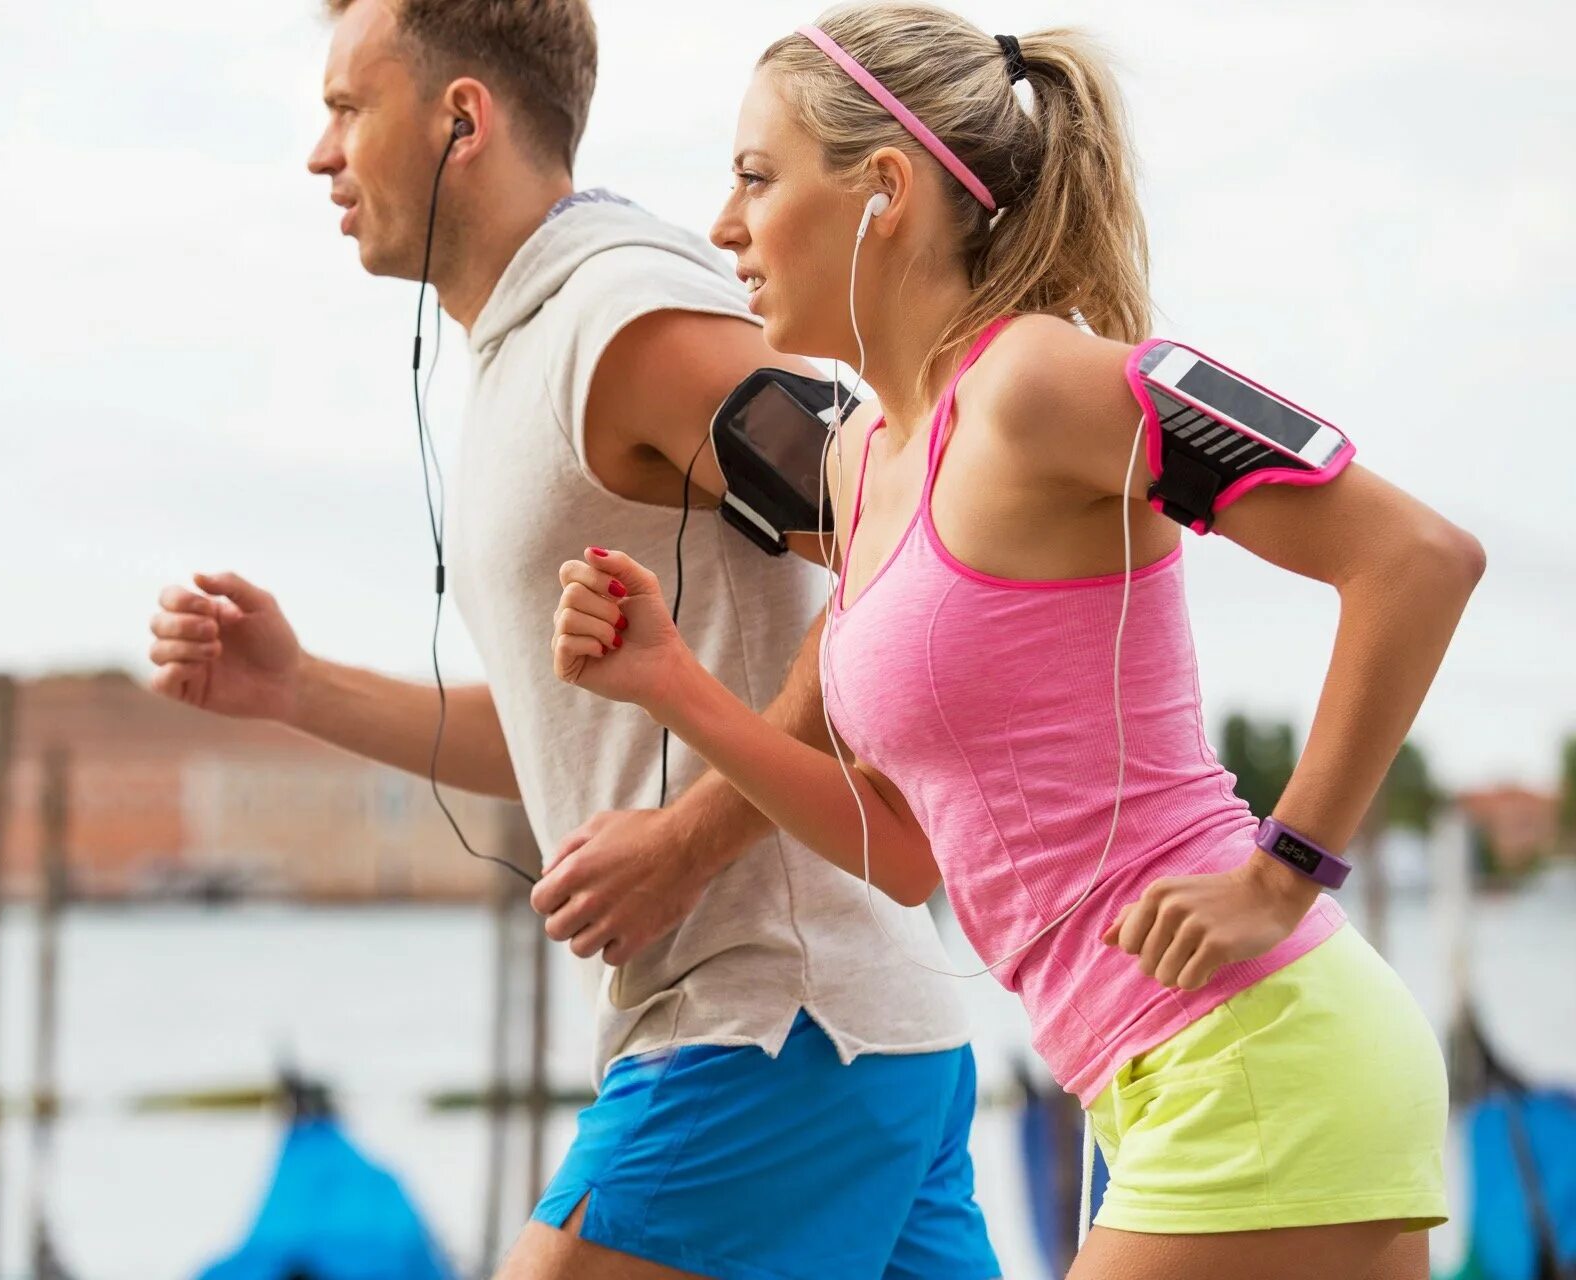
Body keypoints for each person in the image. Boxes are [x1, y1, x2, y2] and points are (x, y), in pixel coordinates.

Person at [550, 5, 1483, 1278]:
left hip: (1248, 1054)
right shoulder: (864, 461)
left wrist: (1283, 870)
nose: (723, 226)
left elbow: (1414, 560)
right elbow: (910, 854)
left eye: (756, 178)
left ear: (883, 190)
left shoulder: (1038, 382)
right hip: (1159, 1080)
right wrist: (671, 681)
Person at [148, 2, 1001, 1277]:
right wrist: (298, 688)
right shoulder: (524, 348)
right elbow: (564, 738)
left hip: (773, 1026)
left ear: (462, 119)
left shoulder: (629, 321)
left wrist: (687, 837)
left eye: (345, 108)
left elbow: (913, 537)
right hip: (848, 1041)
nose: (320, 155)